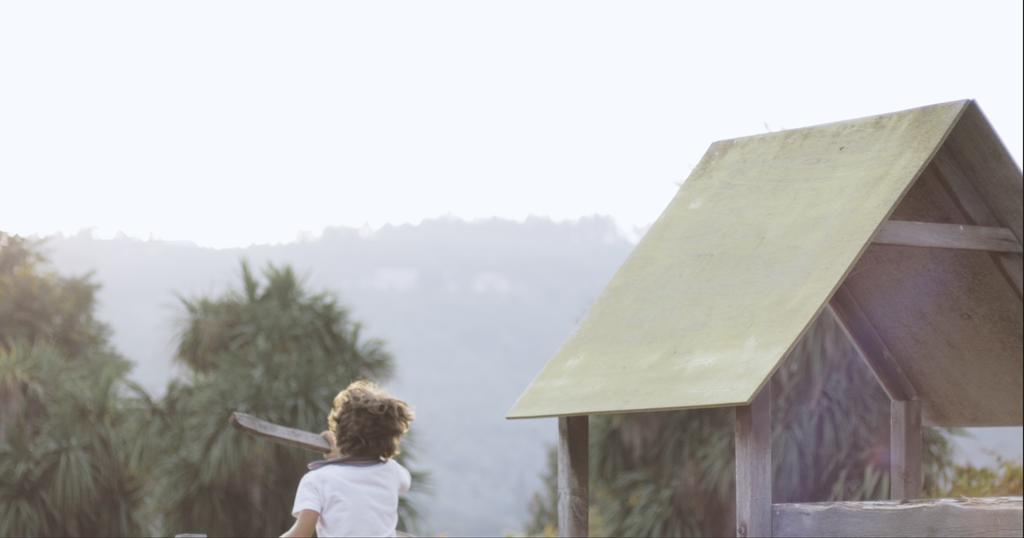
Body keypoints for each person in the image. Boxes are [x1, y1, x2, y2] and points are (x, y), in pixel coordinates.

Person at [281, 381, 414, 538]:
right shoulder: (393, 472)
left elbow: (300, 534)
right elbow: (405, 482)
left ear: (339, 432)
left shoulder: (317, 480)